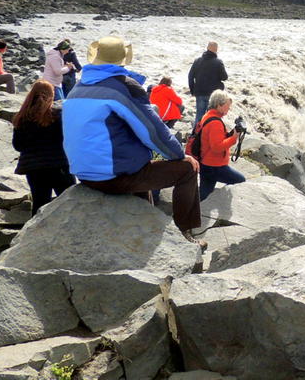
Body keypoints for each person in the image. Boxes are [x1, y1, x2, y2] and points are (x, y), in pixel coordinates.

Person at [62, 35, 205, 247]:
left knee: (140, 168)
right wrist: (179, 155)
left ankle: (145, 223)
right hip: (112, 176)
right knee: (188, 168)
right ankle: (185, 234)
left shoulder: (78, 88)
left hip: (83, 174)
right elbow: (153, 132)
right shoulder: (122, 87)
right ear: (122, 59)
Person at [12, 80, 76, 215]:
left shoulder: (22, 117)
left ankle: (33, 234)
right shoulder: (58, 114)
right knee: (70, 204)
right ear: (51, 96)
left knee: (39, 204)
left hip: (33, 169)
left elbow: (18, 146)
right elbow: (69, 140)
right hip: (59, 166)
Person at [192, 90, 246, 200]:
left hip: (205, 163)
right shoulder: (215, 123)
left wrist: (231, 133)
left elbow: (215, 138)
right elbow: (216, 147)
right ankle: (223, 204)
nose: (229, 109)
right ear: (219, 105)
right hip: (214, 166)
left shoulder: (207, 116)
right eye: (227, 106)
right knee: (240, 181)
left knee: (204, 195)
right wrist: (234, 138)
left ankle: (194, 213)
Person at [188, 41, 228, 129]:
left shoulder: (197, 61)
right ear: (216, 50)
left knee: (199, 115)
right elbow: (224, 77)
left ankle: (195, 136)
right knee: (211, 116)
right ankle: (207, 135)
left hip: (200, 92)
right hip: (213, 95)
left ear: (207, 48)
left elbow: (190, 76)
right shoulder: (218, 62)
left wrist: (192, 90)